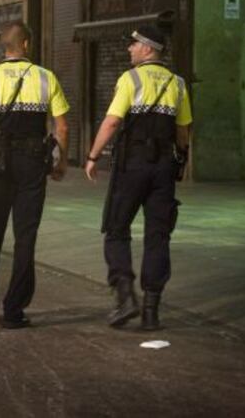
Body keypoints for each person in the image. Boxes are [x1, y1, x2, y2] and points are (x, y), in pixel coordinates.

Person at [85, 25, 192, 330]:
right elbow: (183, 130)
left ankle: (124, 295)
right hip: (163, 168)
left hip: (132, 166)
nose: (130, 50)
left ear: (148, 49)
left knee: (116, 228)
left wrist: (93, 156)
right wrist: (181, 160)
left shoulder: (130, 79)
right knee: (158, 235)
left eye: (134, 45)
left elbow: (112, 121)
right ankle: (150, 312)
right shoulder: (179, 84)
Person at [0, 21, 69, 329]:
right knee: (26, 236)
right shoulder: (46, 78)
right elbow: (61, 126)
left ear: (5, 47)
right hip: (33, 164)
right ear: (26, 45)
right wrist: (60, 161)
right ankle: (14, 310)